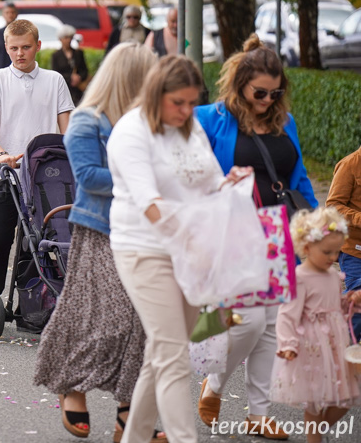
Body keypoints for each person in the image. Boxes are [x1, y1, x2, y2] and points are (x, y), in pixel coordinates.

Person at [107, 54, 252, 443]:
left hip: (189, 250)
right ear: (157, 93)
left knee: (163, 354)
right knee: (173, 355)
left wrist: (231, 183)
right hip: (143, 249)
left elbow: (209, 185)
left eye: (192, 102)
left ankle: (132, 437)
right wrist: (194, 239)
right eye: (178, 102)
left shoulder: (191, 128)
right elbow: (149, 204)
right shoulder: (130, 132)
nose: (187, 110)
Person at [34, 43, 158, 440]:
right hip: (99, 230)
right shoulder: (88, 121)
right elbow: (88, 177)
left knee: (140, 323)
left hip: (142, 230)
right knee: (110, 317)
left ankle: (129, 411)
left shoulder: (148, 122)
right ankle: (71, 383)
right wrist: (145, 181)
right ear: (131, 78)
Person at [196, 35, 317, 440]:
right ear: (240, 83)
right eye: (259, 92)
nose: (268, 99)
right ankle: (213, 384)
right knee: (245, 322)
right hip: (232, 232)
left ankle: (259, 413)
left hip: (278, 229)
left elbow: (297, 179)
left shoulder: (286, 121)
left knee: (269, 325)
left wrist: (313, 229)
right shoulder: (212, 118)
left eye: (276, 91)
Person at [0, 18, 74, 321]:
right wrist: (1, 154)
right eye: (14, 48)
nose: (20, 53)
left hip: (43, 176)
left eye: (26, 47)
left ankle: (29, 300)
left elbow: (67, 130)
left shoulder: (55, 80)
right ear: (6, 48)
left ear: (38, 46)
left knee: (33, 242)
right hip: (6, 173)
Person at [271, 207, 361, 443]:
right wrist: (288, 344)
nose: (333, 258)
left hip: (334, 345)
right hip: (310, 347)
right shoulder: (300, 277)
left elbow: (333, 308)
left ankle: (317, 429)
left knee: (347, 397)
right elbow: (287, 315)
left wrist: (349, 301)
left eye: (336, 251)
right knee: (313, 400)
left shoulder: (333, 276)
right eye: (327, 252)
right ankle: (314, 438)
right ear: (307, 247)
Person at [326, 145, 361, 341]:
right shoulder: (349, 164)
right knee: (357, 304)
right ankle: (339, 349)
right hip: (354, 251)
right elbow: (333, 206)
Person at [50, 24, 89, 104]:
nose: (68, 40)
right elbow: (55, 73)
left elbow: (84, 70)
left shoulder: (78, 53)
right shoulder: (56, 55)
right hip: (64, 89)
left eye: (70, 37)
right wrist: (70, 78)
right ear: (60, 39)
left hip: (78, 91)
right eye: (66, 38)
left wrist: (79, 77)